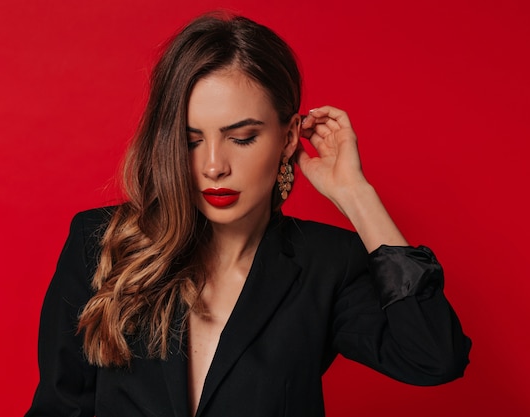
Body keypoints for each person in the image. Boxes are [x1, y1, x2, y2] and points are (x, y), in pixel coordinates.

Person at [25, 11, 471, 417]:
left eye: (241, 138)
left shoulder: (328, 264)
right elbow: (59, 409)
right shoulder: (101, 243)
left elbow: (433, 356)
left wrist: (356, 195)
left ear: (290, 136)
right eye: (191, 140)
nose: (214, 165)